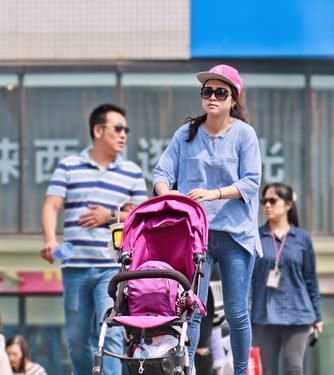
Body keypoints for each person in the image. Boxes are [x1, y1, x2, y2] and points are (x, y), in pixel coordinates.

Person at [153, 63, 262, 374]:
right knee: (192, 311)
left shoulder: (245, 135)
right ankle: (187, 370)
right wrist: (167, 195)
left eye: (220, 92)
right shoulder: (185, 134)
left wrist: (213, 194)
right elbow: (162, 172)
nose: (212, 97)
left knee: (236, 312)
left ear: (233, 99)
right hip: (195, 235)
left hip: (235, 235)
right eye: (207, 91)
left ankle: (240, 371)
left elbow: (252, 182)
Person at [40, 103, 148, 375]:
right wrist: (50, 240)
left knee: (111, 333)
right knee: (76, 341)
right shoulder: (69, 166)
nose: (124, 135)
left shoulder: (132, 172)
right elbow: (52, 205)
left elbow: (143, 216)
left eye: (127, 130)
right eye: (119, 128)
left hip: (113, 270)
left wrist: (110, 215)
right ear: (98, 130)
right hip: (74, 267)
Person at [251, 182, 323, 375]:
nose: (267, 205)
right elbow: (249, 279)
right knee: (267, 371)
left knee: (294, 368)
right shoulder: (256, 236)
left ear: (289, 204)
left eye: (273, 200)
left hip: (298, 313)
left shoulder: (302, 238)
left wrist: (317, 316)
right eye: (264, 201)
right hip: (263, 314)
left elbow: (310, 280)